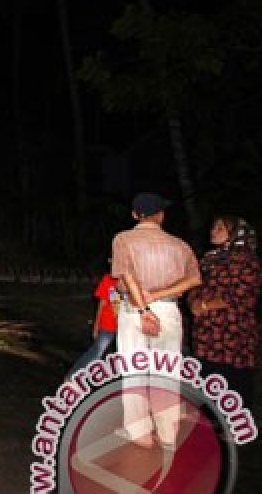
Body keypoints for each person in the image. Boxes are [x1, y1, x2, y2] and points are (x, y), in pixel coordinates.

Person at [110, 192, 202, 449]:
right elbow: (195, 279)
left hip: (136, 310)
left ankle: (140, 433)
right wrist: (159, 296)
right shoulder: (179, 245)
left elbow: (126, 277)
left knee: (134, 370)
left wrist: (143, 311)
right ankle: (168, 434)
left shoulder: (124, 239)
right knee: (167, 371)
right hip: (169, 311)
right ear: (161, 215)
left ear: (134, 215)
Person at [188, 215, 260, 411]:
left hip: (233, 331)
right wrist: (193, 300)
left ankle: (236, 426)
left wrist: (205, 306)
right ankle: (211, 423)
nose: (213, 230)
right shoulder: (209, 258)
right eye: (213, 226)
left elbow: (242, 294)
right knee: (208, 377)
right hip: (207, 333)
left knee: (233, 377)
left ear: (235, 232)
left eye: (220, 227)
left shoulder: (246, 258)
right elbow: (194, 283)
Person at [65, 267, 119, 381]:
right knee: (96, 352)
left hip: (125, 325)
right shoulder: (109, 279)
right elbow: (103, 303)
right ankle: (73, 377)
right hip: (108, 323)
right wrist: (96, 324)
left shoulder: (131, 280)